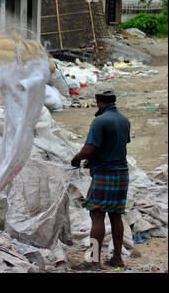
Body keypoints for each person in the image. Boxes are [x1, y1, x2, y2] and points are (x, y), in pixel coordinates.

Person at [71, 90, 131, 270]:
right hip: (122, 174)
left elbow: (89, 148)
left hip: (105, 174)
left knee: (97, 216)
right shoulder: (124, 120)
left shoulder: (99, 121)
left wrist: (77, 157)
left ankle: (95, 261)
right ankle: (117, 259)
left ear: (98, 103)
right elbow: (114, 146)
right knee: (116, 216)